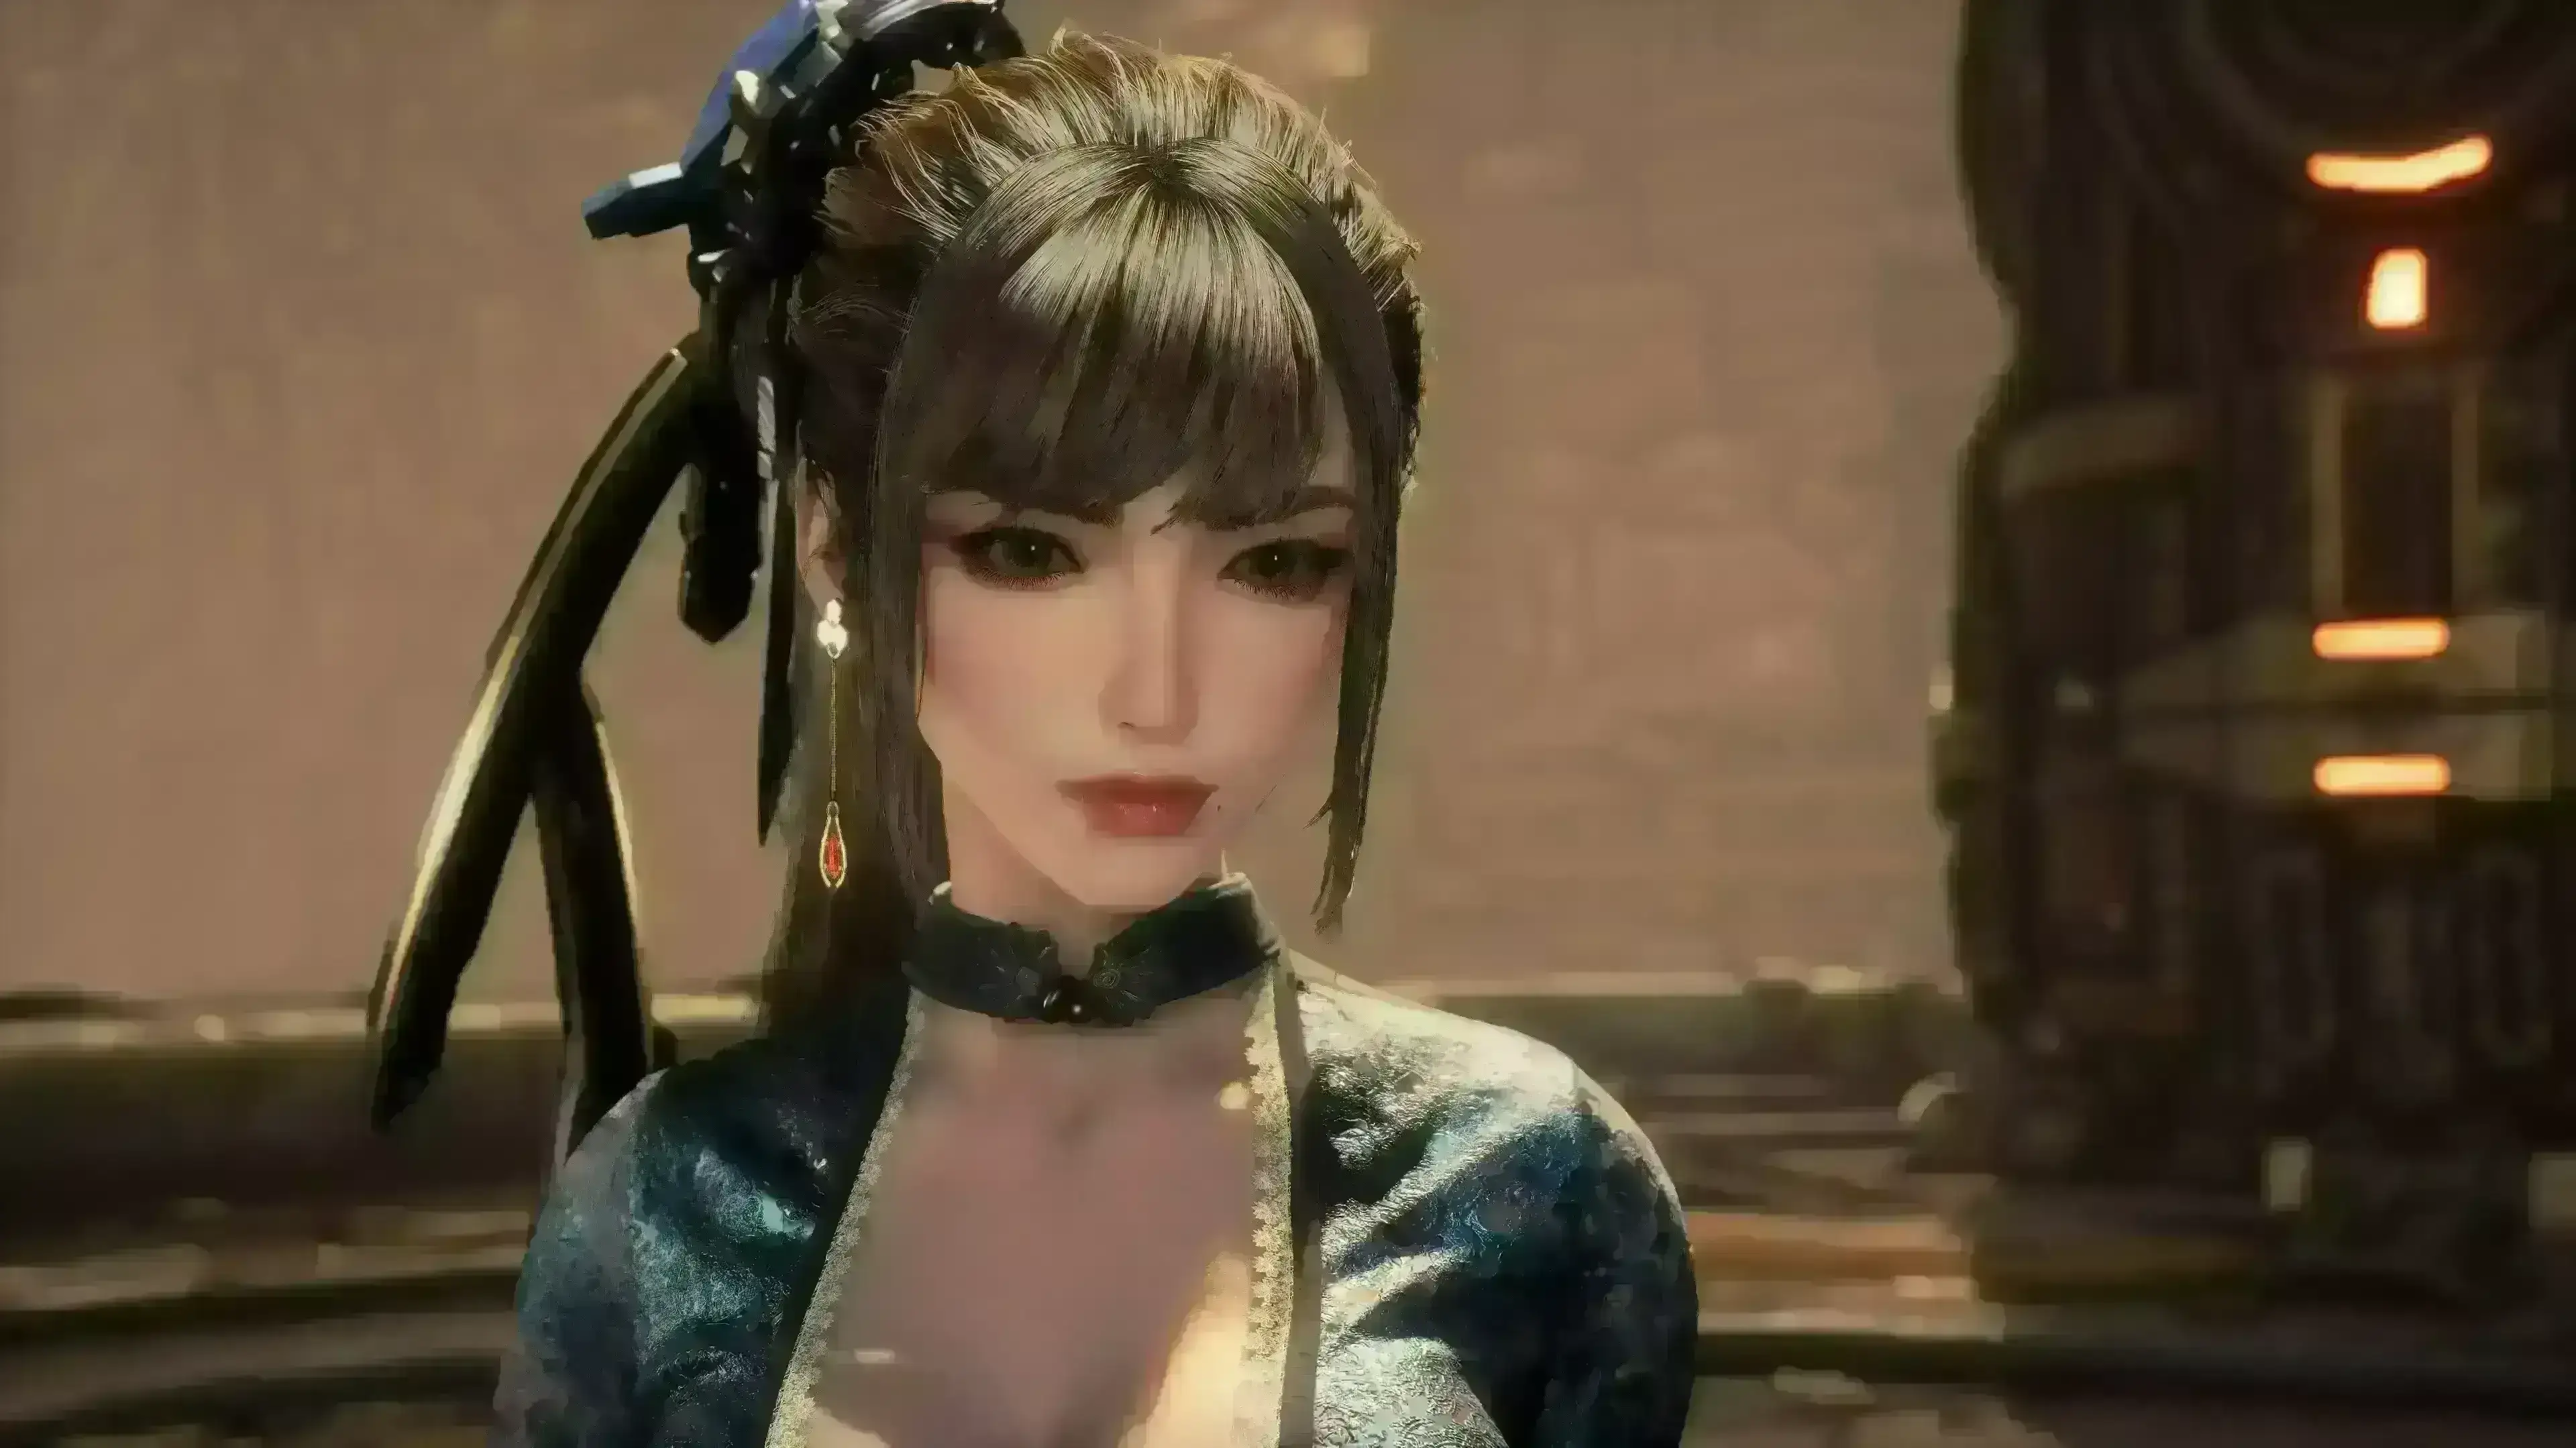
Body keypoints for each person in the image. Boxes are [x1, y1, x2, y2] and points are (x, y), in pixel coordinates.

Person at [495, 19, 1698, 1448]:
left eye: (1275, 562)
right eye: (1030, 550)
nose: (1157, 693)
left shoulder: (1530, 1179)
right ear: (832, 546)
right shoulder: (667, 1204)